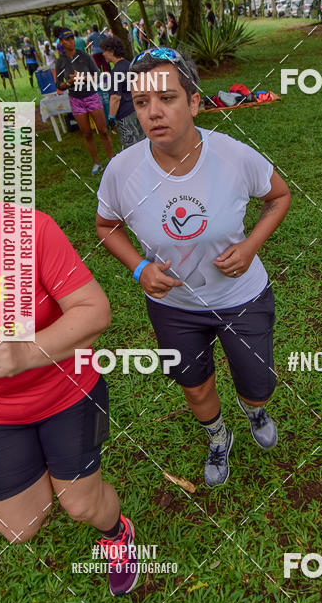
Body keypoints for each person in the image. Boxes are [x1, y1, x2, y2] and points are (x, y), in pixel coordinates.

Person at [0, 113, 139, 596]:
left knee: (82, 505)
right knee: (20, 527)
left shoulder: (29, 232)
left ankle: (116, 533)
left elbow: (95, 311)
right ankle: (49, 469)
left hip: (68, 391)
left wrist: (27, 352)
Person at [96, 47, 291, 487]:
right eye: (142, 103)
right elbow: (106, 226)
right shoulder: (121, 170)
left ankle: (254, 410)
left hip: (241, 297)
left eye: (166, 98)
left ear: (195, 102)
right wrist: (138, 268)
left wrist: (252, 245)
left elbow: (279, 197)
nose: (153, 113)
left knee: (258, 384)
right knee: (195, 385)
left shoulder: (235, 156)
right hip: (174, 306)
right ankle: (219, 437)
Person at [55, 28, 113, 176]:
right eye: (67, 39)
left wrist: (83, 78)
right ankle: (97, 163)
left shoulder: (84, 56)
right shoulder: (61, 61)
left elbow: (98, 76)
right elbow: (59, 84)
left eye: (72, 38)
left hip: (91, 95)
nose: (71, 41)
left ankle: (112, 161)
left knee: (103, 131)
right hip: (76, 99)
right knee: (86, 133)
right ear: (61, 42)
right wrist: (69, 82)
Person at [100, 35, 144, 149]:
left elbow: (115, 97)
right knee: (144, 143)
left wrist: (111, 118)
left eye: (104, 51)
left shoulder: (115, 73)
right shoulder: (130, 65)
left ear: (111, 51)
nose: (103, 54)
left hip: (125, 114)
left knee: (131, 148)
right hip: (138, 109)